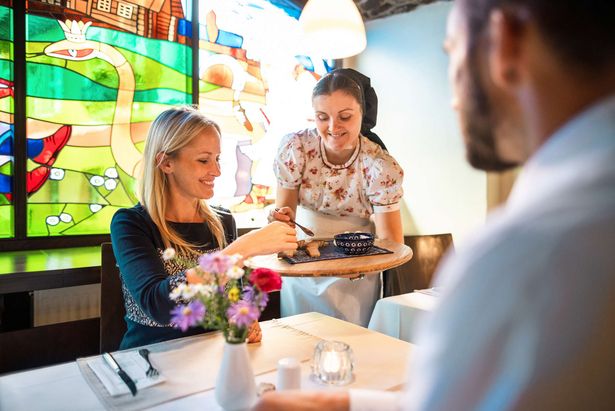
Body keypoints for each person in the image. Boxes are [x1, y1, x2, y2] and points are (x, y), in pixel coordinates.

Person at [252, 0, 615, 409]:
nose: (453, 100)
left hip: (356, 270)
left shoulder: (521, 254)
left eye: (452, 53)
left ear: (505, 43)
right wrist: (348, 403)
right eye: (322, 118)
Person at [110, 106, 297, 350]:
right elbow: (159, 305)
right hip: (152, 360)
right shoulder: (130, 224)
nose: (217, 171)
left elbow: (234, 295)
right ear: (166, 163)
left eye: (217, 159)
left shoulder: (222, 221)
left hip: (213, 353)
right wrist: (244, 248)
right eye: (203, 160)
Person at [271, 68, 404, 327]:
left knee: (353, 347)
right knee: (300, 340)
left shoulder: (379, 166)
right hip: (303, 267)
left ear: (361, 114)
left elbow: (392, 243)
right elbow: (285, 221)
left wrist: (357, 267)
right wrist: (279, 222)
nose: (333, 128)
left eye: (345, 116)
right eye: (322, 117)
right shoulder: (296, 148)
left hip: (357, 272)